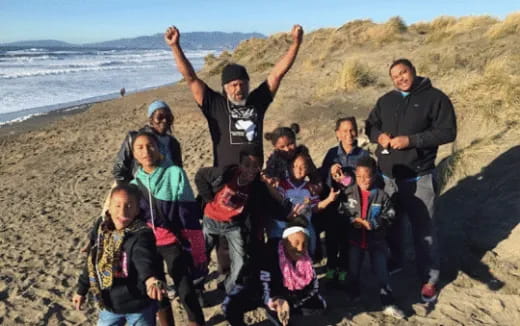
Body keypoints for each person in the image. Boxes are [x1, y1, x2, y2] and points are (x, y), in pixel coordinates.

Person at [365, 58, 457, 302]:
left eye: (403, 73)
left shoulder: (435, 98)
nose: (400, 78)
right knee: (392, 223)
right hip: (387, 178)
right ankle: (396, 259)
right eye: (395, 76)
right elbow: (370, 125)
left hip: (419, 177)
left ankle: (430, 278)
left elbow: (447, 132)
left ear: (414, 71)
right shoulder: (386, 100)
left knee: (424, 230)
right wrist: (378, 136)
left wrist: (412, 141)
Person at [164, 24, 303, 167]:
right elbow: (191, 78)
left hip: (254, 178)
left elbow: (277, 75)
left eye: (243, 84)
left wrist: (296, 43)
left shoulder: (257, 101)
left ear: (248, 84)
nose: (239, 89)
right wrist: (175, 46)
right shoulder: (215, 105)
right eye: (234, 85)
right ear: (225, 87)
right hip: (225, 180)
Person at [130, 131, 206, 326]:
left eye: (150, 146)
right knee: (158, 291)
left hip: (173, 242)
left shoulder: (174, 173)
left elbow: (188, 213)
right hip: (149, 245)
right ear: (134, 154)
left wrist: (197, 249)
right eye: (140, 147)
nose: (146, 151)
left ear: (158, 148)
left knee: (185, 289)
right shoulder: (133, 185)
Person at [194, 147, 292, 294]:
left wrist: (287, 212)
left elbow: (272, 205)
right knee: (202, 255)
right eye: (247, 165)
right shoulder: (226, 174)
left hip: (233, 225)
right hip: (211, 220)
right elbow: (200, 175)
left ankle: (230, 290)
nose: (251, 170)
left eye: (256, 166)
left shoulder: (258, 186)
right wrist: (209, 199)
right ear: (240, 165)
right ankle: (196, 287)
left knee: (239, 261)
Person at [72, 184, 166, 326]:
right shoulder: (101, 228)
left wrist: (150, 280)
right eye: (117, 206)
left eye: (129, 206)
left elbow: (143, 258)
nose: (123, 212)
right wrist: (81, 290)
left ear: (137, 210)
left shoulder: (141, 233)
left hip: (139, 306)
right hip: (109, 304)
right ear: (109, 207)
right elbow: (93, 261)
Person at [223, 217, 327, 326]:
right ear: (285, 242)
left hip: (288, 295)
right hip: (259, 290)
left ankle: (282, 311)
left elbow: (313, 288)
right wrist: (274, 300)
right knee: (230, 306)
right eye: (296, 243)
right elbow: (263, 285)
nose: (300, 248)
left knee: (318, 306)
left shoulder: (306, 260)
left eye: (304, 244)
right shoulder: (268, 254)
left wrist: (290, 303)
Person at [338, 156, 404, 319]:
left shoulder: (382, 195)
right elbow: (341, 212)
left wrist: (374, 223)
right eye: (359, 176)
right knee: (353, 271)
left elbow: (390, 214)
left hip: (377, 242)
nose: (363, 180)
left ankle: (387, 302)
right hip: (355, 240)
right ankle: (353, 295)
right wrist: (353, 221)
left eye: (367, 176)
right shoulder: (348, 193)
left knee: (382, 273)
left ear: (374, 176)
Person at [319, 117, 370, 282]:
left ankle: (344, 269)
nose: (349, 134)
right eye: (344, 131)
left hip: (353, 205)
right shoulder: (332, 153)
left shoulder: (363, 155)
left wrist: (348, 179)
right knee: (332, 237)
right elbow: (322, 176)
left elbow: (367, 180)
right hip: (333, 204)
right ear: (337, 134)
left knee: (348, 239)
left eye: (352, 130)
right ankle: (331, 268)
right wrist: (331, 172)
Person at [267, 147, 339, 258]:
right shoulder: (283, 185)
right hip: (287, 223)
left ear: (308, 169)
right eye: (295, 166)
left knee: (311, 242)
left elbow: (315, 207)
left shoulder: (309, 188)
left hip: (305, 224)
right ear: (290, 167)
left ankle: (308, 266)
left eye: (303, 167)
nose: (298, 169)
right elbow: (279, 199)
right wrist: (268, 185)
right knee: (281, 246)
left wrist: (329, 199)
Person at [113, 100, 182, 184]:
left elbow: (178, 170)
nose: (164, 121)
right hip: (141, 188)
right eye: (159, 117)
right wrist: (130, 190)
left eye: (168, 117)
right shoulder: (135, 139)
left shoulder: (173, 143)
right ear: (151, 120)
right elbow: (119, 169)